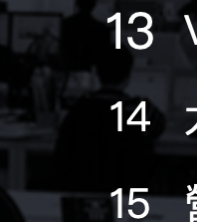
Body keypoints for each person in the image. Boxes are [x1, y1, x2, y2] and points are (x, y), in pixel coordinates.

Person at [52, 46, 164, 191]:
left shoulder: (80, 108)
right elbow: (159, 129)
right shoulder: (140, 109)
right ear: (128, 76)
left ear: (97, 74)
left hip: (84, 192)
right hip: (129, 193)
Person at [57, 0, 107, 74]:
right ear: (94, 4)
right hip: (90, 73)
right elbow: (102, 58)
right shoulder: (101, 29)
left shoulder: (65, 24)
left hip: (66, 72)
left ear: (77, 2)